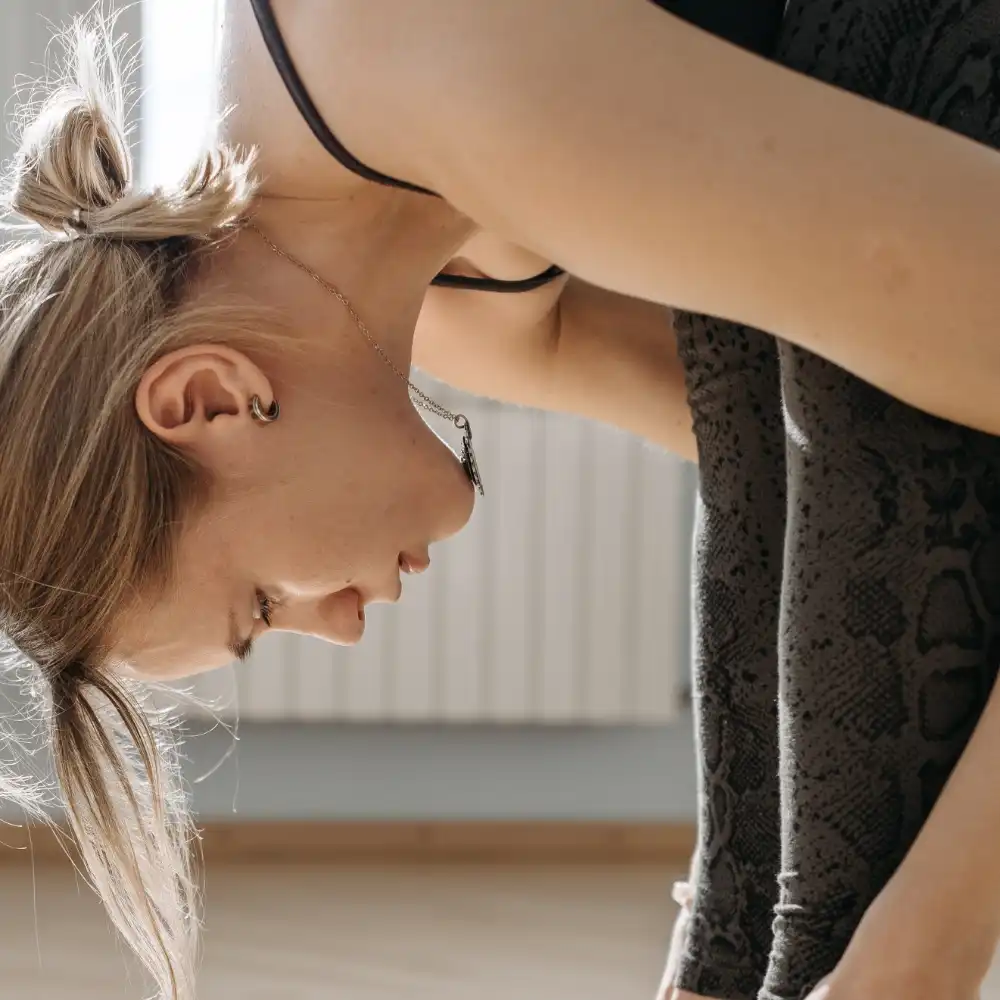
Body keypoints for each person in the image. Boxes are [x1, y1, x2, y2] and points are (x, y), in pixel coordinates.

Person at [3, 2, 1000, 999]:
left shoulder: (431, 61)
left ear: (210, 400)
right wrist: (723, 933)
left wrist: (922, 951)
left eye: (264, 603)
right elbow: (781, 477)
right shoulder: (445, 291)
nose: (342, 628)